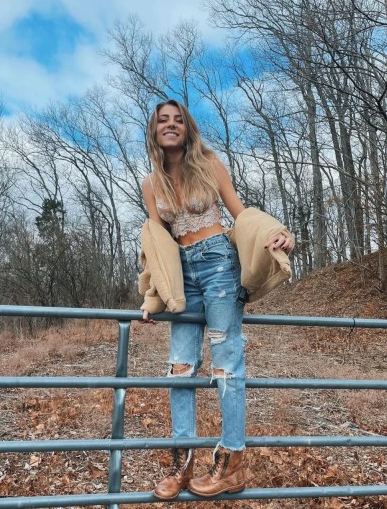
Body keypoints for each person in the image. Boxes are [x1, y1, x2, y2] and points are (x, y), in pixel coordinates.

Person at [140, 99, 294, 500]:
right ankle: (182, 462)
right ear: (154, 131)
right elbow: (157, 245)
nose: (171, 125)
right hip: (182, 277)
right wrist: (153, 296)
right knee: (179, 368)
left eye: (178, 120)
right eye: (163, 120)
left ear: (187, 128)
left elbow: (240, 213)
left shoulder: (209, 164)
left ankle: (231, 463)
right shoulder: (150, 183)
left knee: (226, 364)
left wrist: (274, 233)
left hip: (218, 265)